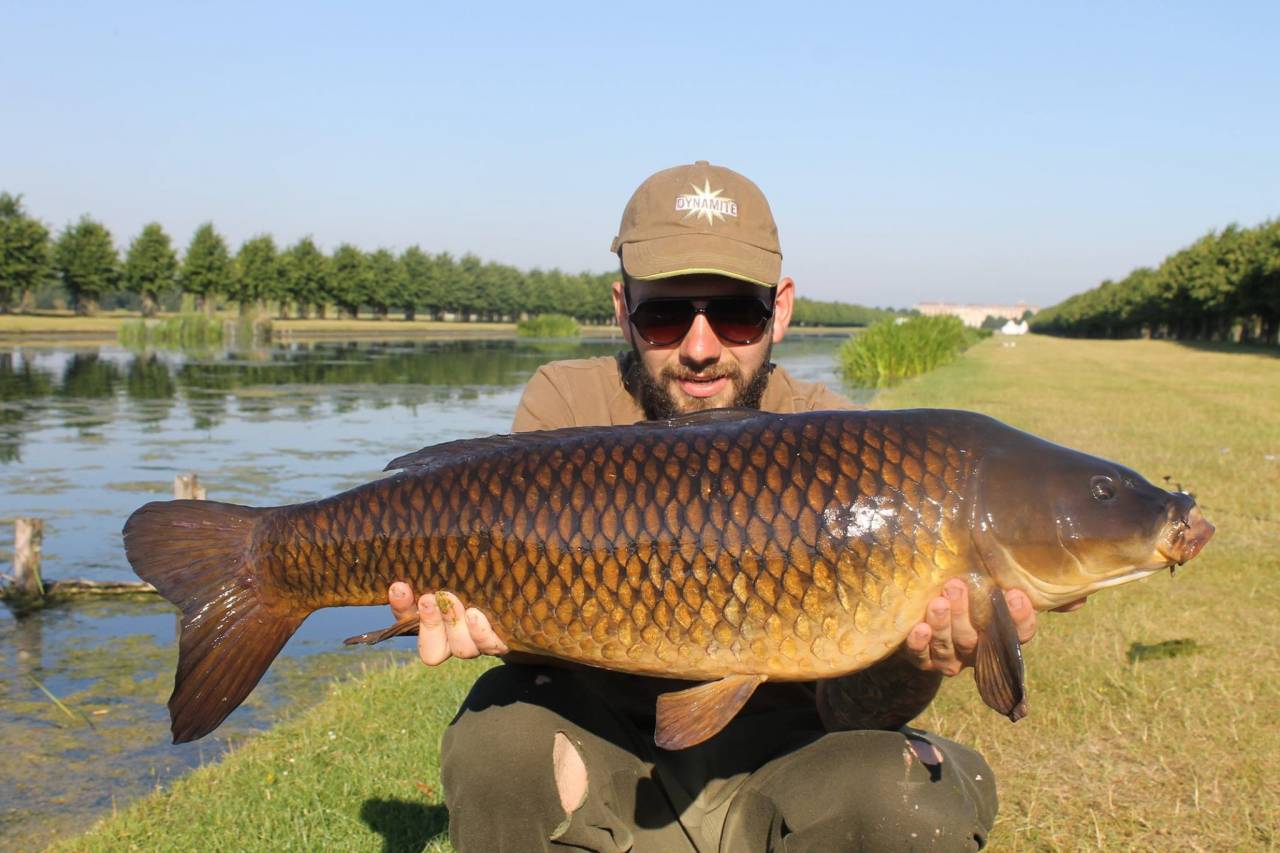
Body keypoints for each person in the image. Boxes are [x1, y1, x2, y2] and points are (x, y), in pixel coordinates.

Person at [385, 162, 1075, 851]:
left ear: (781, 308)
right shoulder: (566, 407)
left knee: (898, 794)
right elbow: (529, 643)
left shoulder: (844, 443)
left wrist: (921, 658)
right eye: (664, 315)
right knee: (496, 739)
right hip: (615, 762)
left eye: (736, 313)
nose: (701, 348)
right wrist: (494, 621)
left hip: (783, 766)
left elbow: (854, 712)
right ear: (623, 309)